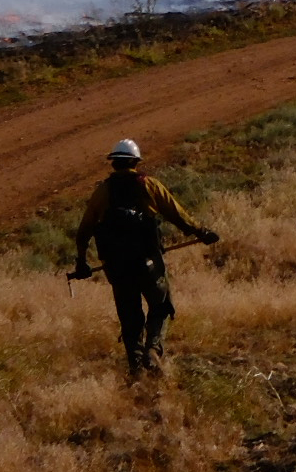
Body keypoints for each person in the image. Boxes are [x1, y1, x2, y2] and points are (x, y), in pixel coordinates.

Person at [67, 137, 217, 376]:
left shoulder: (103, 191)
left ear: (114, 162)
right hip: (148, 263)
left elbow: (85, 230)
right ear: (135, 161)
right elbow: (176, 214)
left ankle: (135, 366)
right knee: (161, 305)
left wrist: (82, 261)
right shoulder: (149, 185)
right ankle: (153, 349)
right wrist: (202, 232)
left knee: (130, 317)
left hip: (116, 268)